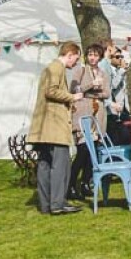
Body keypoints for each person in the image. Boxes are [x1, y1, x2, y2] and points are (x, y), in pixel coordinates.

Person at [27, 41, 84, 215]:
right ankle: (58, 203)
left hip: (43, 127)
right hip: (55, 126)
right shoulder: (57, 68)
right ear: (70, 54)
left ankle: (45, 204)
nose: (75, 63)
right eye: (76, 58)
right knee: (61, 165)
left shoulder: (48, 68)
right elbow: (51, 91)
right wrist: (71, 97)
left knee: (44, 164)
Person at [68, 43, 111, 200]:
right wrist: (90, 85)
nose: (92, 58)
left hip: (98, 114)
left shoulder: (103, 73)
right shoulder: (80, 70)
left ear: (100, 57)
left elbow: (106, 93)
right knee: (83, 150)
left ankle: (86, 183)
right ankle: (71, 184)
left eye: (95, 55)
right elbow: (74, 89)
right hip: (82, 113)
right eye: (90, 54)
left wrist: (94, 93)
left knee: (92, 151)